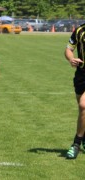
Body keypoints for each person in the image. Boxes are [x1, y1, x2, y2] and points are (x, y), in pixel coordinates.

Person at [65, 24, 85, 159]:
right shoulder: (79, 30)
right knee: (82, 111)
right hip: (81, 74)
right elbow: (68, 49)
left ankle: (76, 143)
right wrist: (71, 58)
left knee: (84, 105)